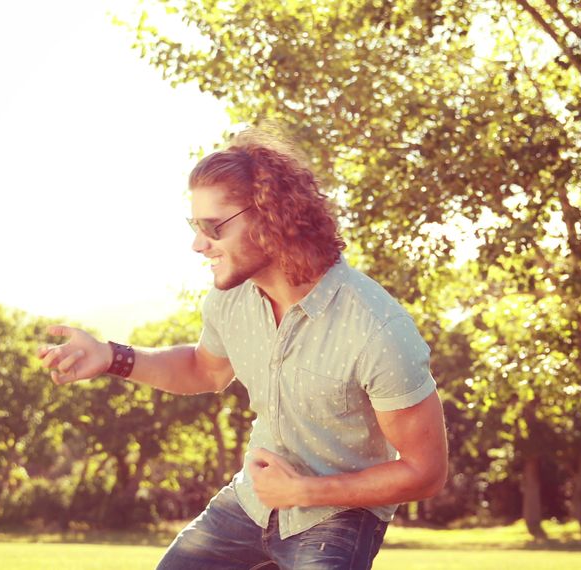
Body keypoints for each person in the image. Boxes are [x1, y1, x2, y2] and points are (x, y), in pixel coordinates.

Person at [37, 127, 448, 569]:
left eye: (213, 227)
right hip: (251, 501)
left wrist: (304, 492)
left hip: (338, 516)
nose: (198, 244)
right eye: (195, 226)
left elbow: (425, 471)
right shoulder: (230, 299)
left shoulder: (376, 327)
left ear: (272, 216)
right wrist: (112, 357)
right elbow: (203, 370)